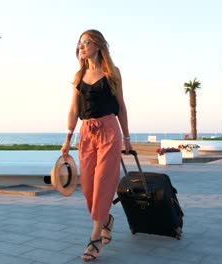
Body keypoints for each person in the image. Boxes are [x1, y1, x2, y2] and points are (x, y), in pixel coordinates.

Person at [60, 29, 132, 262]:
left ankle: (94, 239)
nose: (81, 47)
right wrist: (68, 138)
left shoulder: (113, 73)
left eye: (86, 42)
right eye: (79, 43)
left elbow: (120, 106)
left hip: (110, 131)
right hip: (86, 134)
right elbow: (73, 109)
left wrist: (128, 138)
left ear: (98, 45)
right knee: (89, 187)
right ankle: (107, 220)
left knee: (103, 182)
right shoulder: (79, 75)